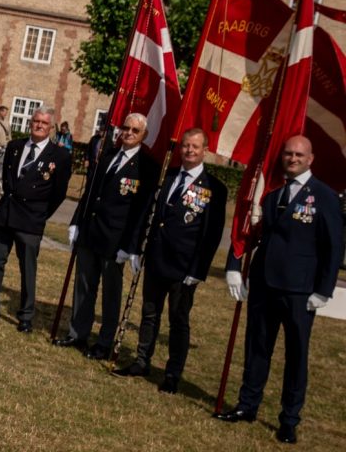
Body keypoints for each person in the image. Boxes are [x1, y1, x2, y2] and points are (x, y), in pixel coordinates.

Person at [216, 136, 343, 444]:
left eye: (299, 154)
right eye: (288, 153)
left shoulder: (324, 197)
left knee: (296, 355)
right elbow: (256, 235)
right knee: (257, 348)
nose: (293, 158)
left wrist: (323, 291)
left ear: (311, 158)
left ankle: (289, 419)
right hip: (265, 285)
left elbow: (334, 246)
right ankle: (247, 405)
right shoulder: (273, 196)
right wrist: (236, 265)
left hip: (300, 292)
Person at [114, 128, 227, 393]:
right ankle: (142, 361)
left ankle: (173, 374)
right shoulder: (169, 176)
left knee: (178, 321)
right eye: (186, 146)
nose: (189, 151)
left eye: (195, 147)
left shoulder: (214, 188)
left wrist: (198, 269)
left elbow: (211, 234)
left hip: (184, 266)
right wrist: (139, 250)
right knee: (149, 314)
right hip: (156, 258)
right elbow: (153, 215)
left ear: (205, 151)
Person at [54, 113, 157, 359]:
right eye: (126, 128)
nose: (129, 133)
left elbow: (141, 211)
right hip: (91, 231)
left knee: (111, 294)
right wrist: (76, 222)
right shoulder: (109, 154)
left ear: (144, 135)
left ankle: (104, 342)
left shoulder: (147, 167)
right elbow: (90, 192)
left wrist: (131, 246)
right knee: (84, 285)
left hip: (116, 241)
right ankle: (77, 332)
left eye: (135, 130)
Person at [0, 107, 72, 332]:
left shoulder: (60, 155)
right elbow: (7, 181)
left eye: (44, 123)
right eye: (36, 121)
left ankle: (25, 316)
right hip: (5, 214)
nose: (39, 126)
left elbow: (59, 193)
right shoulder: (15, 147)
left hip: (31, 220)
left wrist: (40, 214)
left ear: (51, 128)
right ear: (30, 123)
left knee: (28, 269)